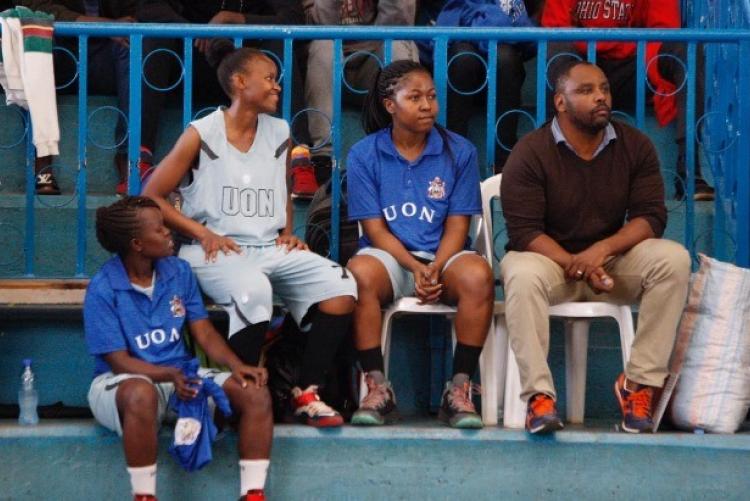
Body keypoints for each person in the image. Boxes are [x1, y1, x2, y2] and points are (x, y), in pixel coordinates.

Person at [142, 43, 357, 428]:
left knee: (341, 286)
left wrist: (289, 232)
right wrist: (201, 232)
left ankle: (305, 391)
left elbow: (283, 189)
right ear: (240, 83)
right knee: (254, 289)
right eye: (270, 79)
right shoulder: (202, 133)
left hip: (267, 246)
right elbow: (152, 196)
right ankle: (235, 396)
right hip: (211, 251)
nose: (277, 87)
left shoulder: (280, 131)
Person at [500, 60, 691, 434]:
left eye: (603, 88)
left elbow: (651, 217)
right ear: (560, 102)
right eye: (586, 91)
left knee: (673, 259)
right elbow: (524, 232)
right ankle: (539, 399)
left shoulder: (634, 145)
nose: (600, 96)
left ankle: (638, 385)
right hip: (551, 262)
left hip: (610, 262)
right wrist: (578, 262)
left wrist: (600, 252)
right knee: (519, 272)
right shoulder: (530, 151)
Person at [84, 196, 272, 501]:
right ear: (137, 244)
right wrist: (170, 375)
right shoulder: (104, 288)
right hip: (123, 384)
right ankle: (145, 496)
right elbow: (118, 362)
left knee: (253, 392)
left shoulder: (179, 271)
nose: (169, 232)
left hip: (179, 378)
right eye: (160, 230)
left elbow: (204, 332)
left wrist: (237, 366)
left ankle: (253, 493)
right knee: (140, 394)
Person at [346, 60, 494, 429]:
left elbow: (458, 226)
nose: (427, 105)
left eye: (431, 96)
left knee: (478, 275)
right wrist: (415, 268)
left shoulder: (459, 151)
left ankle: (459, 389)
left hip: (444, 256)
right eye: (415, 97)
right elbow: (376, 230)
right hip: (390, 259)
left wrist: (434, 266)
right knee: (359, 272)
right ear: (389, 104)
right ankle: (377, 387)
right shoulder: (364, 154)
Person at [136, 0, 315, 197]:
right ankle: (139, 159)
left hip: (248, 70)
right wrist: (196, 31)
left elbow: (293, 18)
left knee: (281, 42)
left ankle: (299, 159)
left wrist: (235, 19)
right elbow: (148, 8)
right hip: (190, 60)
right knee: (156, 39)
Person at [542, 0, 714, 201]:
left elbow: (664, 31)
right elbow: (555, 28)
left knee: (685, 48)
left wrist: (610, 42)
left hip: (635, 69)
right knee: (556, 51)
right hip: (582, 70)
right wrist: (619, 41)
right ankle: (555, 170)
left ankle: (689, 174)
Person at [19, 0, 160, 195]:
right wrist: (102, 25)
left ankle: (131, 161)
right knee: (33, 43)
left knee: (136, 43)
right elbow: (35, 7)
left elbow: (135, 12)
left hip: (104, 55)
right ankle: (42, 162)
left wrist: (120, 26)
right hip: (59, 51)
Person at [303, 0, 420, 192]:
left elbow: (397, 24)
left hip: (374, 67)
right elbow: (322, 26)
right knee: (324, 44)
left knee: (398, 45)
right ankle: (324, 156)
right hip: (332, 73)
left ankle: (401, 145)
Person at [418, 0, 541, 173]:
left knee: (504, 56)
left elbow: (527, 39)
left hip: (502, 77)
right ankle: (452, 155)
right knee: (463, 56)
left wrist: (485, 24)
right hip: (458, 73)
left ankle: (504, 162)